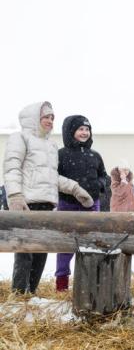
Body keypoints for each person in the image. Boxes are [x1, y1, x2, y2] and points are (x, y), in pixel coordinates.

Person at [3, 102, 94, 294]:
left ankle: (32, 292)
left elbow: (52, 176)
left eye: (52, 118)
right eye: (46, 117)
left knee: (41, 250)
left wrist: (75, 188)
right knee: (26, 250)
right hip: (26, 203)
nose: (50, 121)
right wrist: (15, 195)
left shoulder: (51, 146)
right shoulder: (20, 138)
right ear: (34, 118)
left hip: (46, 204)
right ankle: (19, 294)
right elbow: (12, 167)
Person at [55, 115, 108, 292]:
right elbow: (55, 178)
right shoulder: (61, 155)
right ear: (71, 132)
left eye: (87, 129)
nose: (84, 132)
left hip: (92, 206)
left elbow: (104, 176)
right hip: (68, 205)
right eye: (80, 129)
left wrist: (99, 184)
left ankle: (89, 282)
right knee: (66, 246)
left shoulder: (95, 155)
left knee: (92, 243)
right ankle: (61, 285)